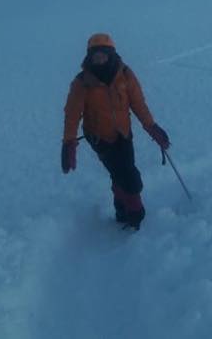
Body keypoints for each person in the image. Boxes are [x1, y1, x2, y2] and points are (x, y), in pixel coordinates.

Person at [61, 33, 170, 230]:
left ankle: (121, 210)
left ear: (111, 54)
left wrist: (151, 127)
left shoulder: (125, 74)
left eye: (103, 54)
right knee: (129, 176)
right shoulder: (82, 82)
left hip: (124, 134)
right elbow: (72, 114)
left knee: (120, 172)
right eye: (95, 55)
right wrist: (69, 143)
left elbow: (138, 104)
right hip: (99, 137)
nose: (100, 59)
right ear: (89, 57)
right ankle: (136, 213)